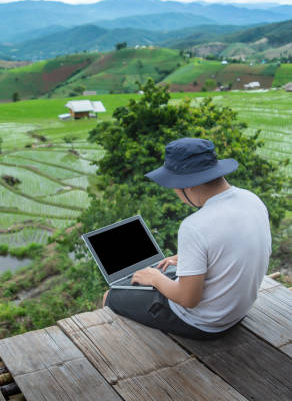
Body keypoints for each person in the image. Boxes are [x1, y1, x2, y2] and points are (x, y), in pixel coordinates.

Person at [103, 137, 271, 339]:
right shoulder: (251, 199)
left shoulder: (194, 226)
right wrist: (191, 260)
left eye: (174, 186)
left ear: (188, 185)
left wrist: (155, 278)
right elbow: (234, 248)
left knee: (110, 295)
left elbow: (188, 299)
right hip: (237, 312)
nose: (175, 192)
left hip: (205, 323)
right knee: (165, 275)